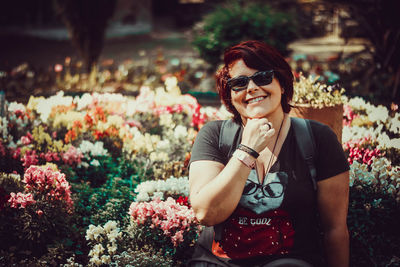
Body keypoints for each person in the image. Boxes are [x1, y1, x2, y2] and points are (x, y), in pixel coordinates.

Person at [188, 40, 349, 267]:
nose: (252, 87)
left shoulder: (318, 139)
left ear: (282, 84)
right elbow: (206, 213)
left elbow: (335, 229)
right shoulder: (214, 135)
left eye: (262, 77)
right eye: (239, 83)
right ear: (230, 95)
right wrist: (247, 151)